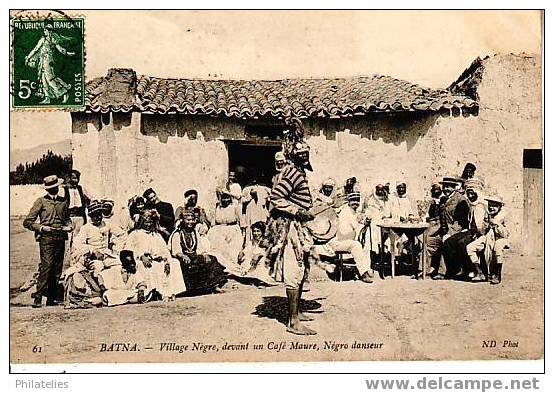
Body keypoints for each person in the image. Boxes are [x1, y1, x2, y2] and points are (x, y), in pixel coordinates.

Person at [265, 118, 316, 335]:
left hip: (299, 226)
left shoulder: (298, 171)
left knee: (302, 266)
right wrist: (298, 211)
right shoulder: (292, 172)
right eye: (301, 154)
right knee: (295, 269)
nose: (305, 157)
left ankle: (297, 311)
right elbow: (276, 198)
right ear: (294, 155)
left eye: (307, 153)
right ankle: (293, 321)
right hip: (290, 228)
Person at [23, 175, 73, 308]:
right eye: (51, 188)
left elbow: (67, 218)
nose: (54, 190)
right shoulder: (41, 201)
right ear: (47, 189)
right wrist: (41, 227)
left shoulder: (63, 201)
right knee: (47, 266)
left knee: (57, 268)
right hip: (46, 237)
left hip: (60, 237)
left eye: (55, 187)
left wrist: (69, 226)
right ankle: (38, 298)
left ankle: (51, 298)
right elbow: (27, 222)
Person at [123, 210, 186, 300]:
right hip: (141, 260)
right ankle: (153, 292)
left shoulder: (156, 235)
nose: (148, 224)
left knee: (175, 262)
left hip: (158, 259)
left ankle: (172, 291)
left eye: (150, 222)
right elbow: (127, 251)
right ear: (142, 222)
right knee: (149, 266)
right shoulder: (135, 234)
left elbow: (165, 250)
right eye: (146, 222)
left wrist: (167, 260)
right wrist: (141, 256)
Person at [169, 209, 227, 294]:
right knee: (189, 266)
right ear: (182, 220)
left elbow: (199, 247)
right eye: (188, 220)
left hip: (194, 256)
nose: (191, 222)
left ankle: (214, 285)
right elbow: (176, 250)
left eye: (192, 220)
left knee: (212, 259)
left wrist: (204, 254)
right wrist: (183, 256)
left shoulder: (194, 232)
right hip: (183, 258)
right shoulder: (177, 233)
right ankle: (195, 289)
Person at [443, 178, 489, 281]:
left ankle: (473, 270)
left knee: (462, 243)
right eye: (468, 193)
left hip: (482, 234)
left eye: (472, 193)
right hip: (471, 231)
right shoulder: (472, 204)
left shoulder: (483, 205)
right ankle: (456, 269)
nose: (470, 196)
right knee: (449, 242)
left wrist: (479, 233)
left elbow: (484, 225)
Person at [326, 190, 374, 283]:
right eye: (353, 200)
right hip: (337, 242)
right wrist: (362, 224)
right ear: (349, 201)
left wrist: (365, 222)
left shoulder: (354, 212)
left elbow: (358, 223)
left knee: (366, 244)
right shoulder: (345, 212)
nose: (355, 203)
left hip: (345, 240)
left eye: (357, 200)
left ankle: (367, 269)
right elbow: (345, 232)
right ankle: (363, 274)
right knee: (356, 245)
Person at [24, 24, 75, 104]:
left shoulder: (52, 39)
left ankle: (64, 92)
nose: (44, 31)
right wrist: (29, 57)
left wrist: (68, 53)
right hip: (42, 60)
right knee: (43, 79)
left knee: (50, 78)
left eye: (46, 30)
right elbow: (36, 49)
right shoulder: (43, 39)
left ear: (49, 31)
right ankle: (47, 98)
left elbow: (60, 49)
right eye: (44, 30)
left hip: (48, 61)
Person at [466, 195, 510, 284]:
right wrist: (485, 224)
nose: (491, 208)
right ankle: (480, 272)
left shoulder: (503, 216)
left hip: (500, 238)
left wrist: (497, 225)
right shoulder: (488, 214)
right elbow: (483, 230)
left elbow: (505, 234)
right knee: (470, 247)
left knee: (497, 247)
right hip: (488, 236)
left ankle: (497, 274)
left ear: (500, 207)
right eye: (490, 205)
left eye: (494, 206)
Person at [70, 200, 126, 269]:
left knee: (119, 264)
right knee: (99, 267)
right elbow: (77, 244)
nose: (99, 217)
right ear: (91, 216)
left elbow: (122, 234)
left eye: (100, 215)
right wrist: (92, 250)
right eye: (95, 216)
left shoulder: (107, 224)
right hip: (93, 258)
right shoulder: (86, 228)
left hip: (107, 255)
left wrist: (116, 247)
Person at [206, 188, 244, 274]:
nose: (225, 200)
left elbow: (240, 221)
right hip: (219, 230)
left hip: (232, 229)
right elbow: (214, 221)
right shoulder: (218, 207)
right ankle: (220, 267)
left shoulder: (235, 207)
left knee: (232, 251)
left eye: (227, 198)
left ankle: (231, 269)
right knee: (218, 248)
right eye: (223, 198)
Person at [237, 221, 277, 285]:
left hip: (262, 261)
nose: (256, 233)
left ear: (262, 232)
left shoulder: (265, 241)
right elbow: (247, 250)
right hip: (252, 260)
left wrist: (258, 255)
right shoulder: (252, 240)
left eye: (258, 231)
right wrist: (242, 253)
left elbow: (266, 253)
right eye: (254, 231)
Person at [63, 169, 91, 237]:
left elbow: (90, 198)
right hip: (68, 217)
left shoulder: (81, 189)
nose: (76, 180)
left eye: (78, 178)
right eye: (74, 178)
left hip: (80, 217)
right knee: (68, 238)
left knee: (79, 238)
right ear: (69, 178)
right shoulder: (64, 189)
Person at [425, 182, 444, 277]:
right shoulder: (431, 202)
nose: (436, 191)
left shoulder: (444, 200)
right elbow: (427, 216)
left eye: (438, 189)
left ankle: (439, 270)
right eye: (434, 190)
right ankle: (425, 269)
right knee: (424, 241)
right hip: (431, 224)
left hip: (441, 226)